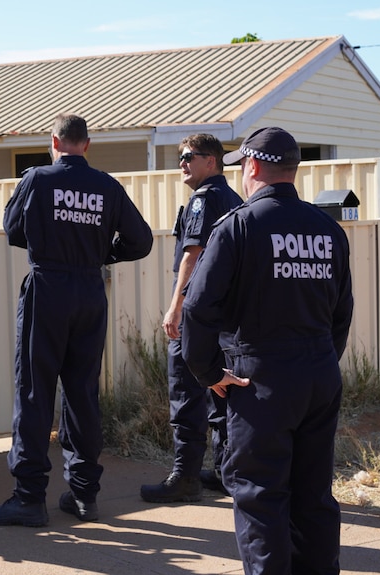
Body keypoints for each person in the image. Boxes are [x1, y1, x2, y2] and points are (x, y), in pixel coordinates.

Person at [181, 127, 353, 574]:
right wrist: (319, 363)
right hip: (318, 374)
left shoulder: (239, 226)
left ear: (252, 167)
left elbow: (197, 310)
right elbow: (342, 313)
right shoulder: (327, 228)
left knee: (261, 496)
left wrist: (209, 372)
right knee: (313, 495)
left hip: (260, 380)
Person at [0, 113, 153, 527]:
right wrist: (100, 254)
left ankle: (28, 498)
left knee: (35, 392)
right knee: (82, 391)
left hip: (49, 288)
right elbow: (141, 241)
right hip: (90, 291)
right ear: (86, 145)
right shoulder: (108, 186)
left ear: (53, 143)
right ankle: (83, 495)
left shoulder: (37, 179)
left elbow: (13, 230)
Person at [140, 134, 242, 503]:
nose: (182, 163)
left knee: (185, 391)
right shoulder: (234, 200)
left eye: (189, 157)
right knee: (220, 391)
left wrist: (176, 305)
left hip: (196, 313)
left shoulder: (203, 199)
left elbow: (193, 255)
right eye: (180, 157)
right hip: (224, 317)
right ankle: (226, 472)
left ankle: (184, 478)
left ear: (211, 161)